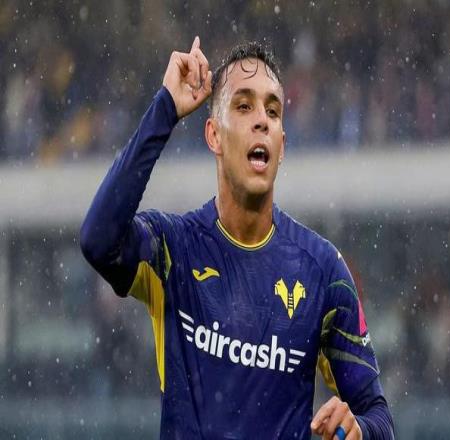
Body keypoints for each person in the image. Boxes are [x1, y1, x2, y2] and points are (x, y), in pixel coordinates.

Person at [80, 36, 394, 439]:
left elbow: (379, 417)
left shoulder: (324, 271)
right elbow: (98, 240)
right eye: (243, 106)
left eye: (273, 110)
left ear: (281, 145)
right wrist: (165, 109)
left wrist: (359, 430)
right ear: (214, 135)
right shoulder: (174, 249)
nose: (262, 119)